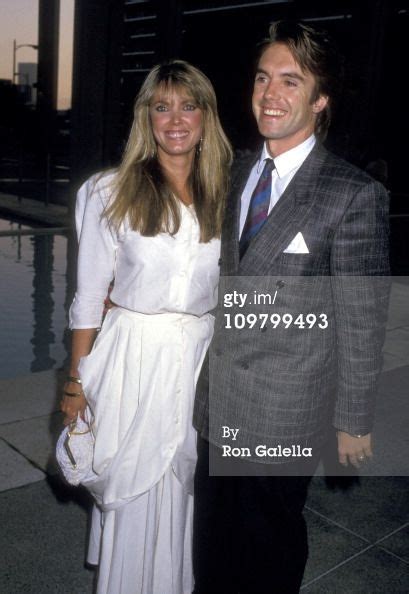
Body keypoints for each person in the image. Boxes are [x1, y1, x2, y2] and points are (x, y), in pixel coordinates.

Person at [193, 21, 390, 593]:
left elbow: (362, 317)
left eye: (290, 81)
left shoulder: (351, 194)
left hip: (285, 407)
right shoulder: (232, 173)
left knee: (267, 546)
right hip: (218, 402)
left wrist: (353, 419)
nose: (269, 95)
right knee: (212, 543)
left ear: (320, 99)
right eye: (262, 79)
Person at [60, 60, 232, 594]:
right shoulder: (109, 192)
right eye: (162, 107)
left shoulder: (230, 192)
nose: (175, 118)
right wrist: (75, 381)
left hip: (202, 359)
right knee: (134, 486)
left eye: (188, 105)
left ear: (206, 117)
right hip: (133, 357)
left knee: (186, 490)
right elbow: (89, 296)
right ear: (146, 117)